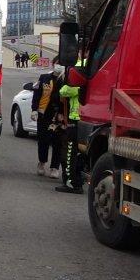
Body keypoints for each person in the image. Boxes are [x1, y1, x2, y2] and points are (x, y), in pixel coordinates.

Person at [55, 61, 86, 194]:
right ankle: (76, 180)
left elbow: (66, 90)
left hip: (75, 117)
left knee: (69, 152)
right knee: (79, 153)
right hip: (84, 118)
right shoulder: (89, 65)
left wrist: (66, 86)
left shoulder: (82, 65)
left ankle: (71, 182)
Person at [31, 64, 64, 178]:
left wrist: (62, 113)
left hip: (58, 116)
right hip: (44, 114)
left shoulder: (66, 80)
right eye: (58, 63)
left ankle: (54, 167)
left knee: (57, 142)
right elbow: (37, 94)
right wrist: (34, 109)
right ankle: (41, 163)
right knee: (43, 140)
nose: (60, 66)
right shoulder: (44, 78)